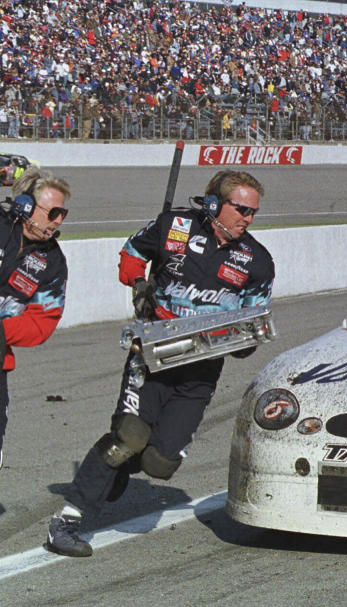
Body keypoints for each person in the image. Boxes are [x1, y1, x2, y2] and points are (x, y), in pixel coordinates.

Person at [45, 170, 275, 557]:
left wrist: (245, 341)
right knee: (128, 437)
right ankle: (68, 519)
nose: (247, 219)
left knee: (159, 463)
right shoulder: (175, 226)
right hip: (151, 357)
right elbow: (131, 253)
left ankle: (116, 470)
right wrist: (138, 284)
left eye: (253, 213)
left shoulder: (257, 261)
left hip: (200, 373)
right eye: (241, 210)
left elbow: (254, 320)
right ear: (216, 204)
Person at [0, 168, 70, 469]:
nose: (58, 221)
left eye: (63, 214)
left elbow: (42, 323)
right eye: (53, 212)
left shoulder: (52, 262)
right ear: (27, 206)